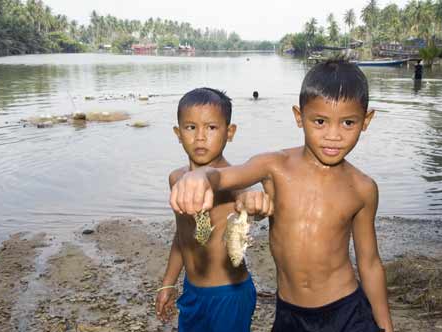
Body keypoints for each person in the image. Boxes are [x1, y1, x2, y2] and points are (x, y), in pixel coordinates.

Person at [169, 59, 394, 332]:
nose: (333, 135)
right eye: (320, 121)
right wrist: (200, 176)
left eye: (348, 122)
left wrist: (386, 325)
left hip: (346, 309)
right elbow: (228, 175)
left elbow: (369, 263)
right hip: (290, 314)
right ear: (299, 117)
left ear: (366, 121)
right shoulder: (274, 166)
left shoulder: (363, 188)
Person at [155, 87, 273, 332]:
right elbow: (182, 237)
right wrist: (168, 283)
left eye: (211, 128)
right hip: (192, 291)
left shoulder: (235, 184)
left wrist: (257, 204)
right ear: (178, 133)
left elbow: (257, 209)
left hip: (229, 294)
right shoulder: (176, 178)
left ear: (230, 133)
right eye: (190, 127)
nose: (200, 137)